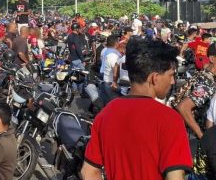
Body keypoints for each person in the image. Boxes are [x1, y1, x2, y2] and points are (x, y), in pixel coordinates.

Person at [81, 39, 192, 180]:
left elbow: (88, 173)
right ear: (154, 78)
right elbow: (175, 177)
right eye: (171, 75)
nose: (172, 81)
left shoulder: (106, 114)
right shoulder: (169, 119)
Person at [174, 42, 216, 140]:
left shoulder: (205, 73)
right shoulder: (208, 82)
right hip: (192, 136)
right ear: (212, 59)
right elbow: (183, 107)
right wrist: (202, 136)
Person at [99, 35, 121, 105]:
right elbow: (115, 68)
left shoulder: (104, 50)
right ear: (116, 43)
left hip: (103, 75)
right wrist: (115, 81)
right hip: (111, 80)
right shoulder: (114, 54)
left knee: (106, 101)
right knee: (113, 103)